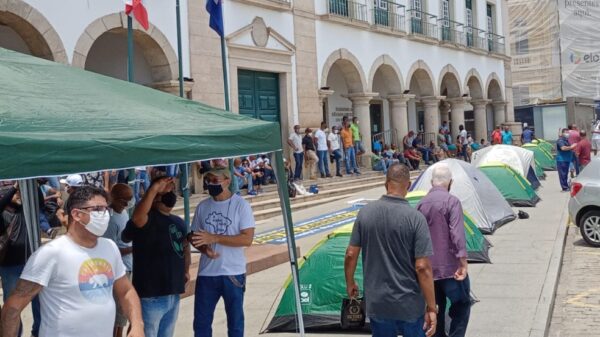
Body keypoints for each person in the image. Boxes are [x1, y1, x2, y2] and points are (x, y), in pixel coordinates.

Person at [1, 186, 144, 337]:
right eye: (97, 209)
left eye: (105, 209)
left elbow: (126, 291)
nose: (104, 214)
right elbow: (13, 307)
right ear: (76, 214)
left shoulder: (110, 247)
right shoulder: (51, 253)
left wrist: (137, 324)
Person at [345, 164, 437, 337]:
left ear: (386, 184)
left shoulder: (365, 213)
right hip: (409, 303)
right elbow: (423, 267)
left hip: (378, 303)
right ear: (408, 186)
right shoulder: (416, 218)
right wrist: (432, 307)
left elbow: (351, 254)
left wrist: (350, 283)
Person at [189, 168, 256, 337]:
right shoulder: (203, 206)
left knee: (235, 324)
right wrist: (204, 248)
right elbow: (194, 236)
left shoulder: (241, 205)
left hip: (232, 273)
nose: (211, 183)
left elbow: (247, 239)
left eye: (215, 180)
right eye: (208, 180)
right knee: (201, 323)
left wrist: (215, 238)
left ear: (227, 181)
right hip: (207, 273)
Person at [122, 177, 191, 337]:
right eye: (166, 189)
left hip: (172, 293)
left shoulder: (178, 221)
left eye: (172, 189)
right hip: (151, 295)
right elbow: (137, 219)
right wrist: (153, 189)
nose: (170, 193)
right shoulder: (145, 219)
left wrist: (186, 270)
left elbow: (184, 246)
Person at [416, 164, 471, 337]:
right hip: (450, 268)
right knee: (462, 305)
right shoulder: (451, 201)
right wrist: (462, 261)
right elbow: (457, 233)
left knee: (434, 308)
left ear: (432, 182)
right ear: (450, 182)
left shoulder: (420, 204)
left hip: (428, 269)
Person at [0, 183, 42, 337]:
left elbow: (40, 202)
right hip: (10, 267)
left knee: (40, 304)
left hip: (33, 265)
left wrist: (32, 183)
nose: (19, 194)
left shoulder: (27, 211)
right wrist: (13, 189)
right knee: (12, 307)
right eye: (16, 193)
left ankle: (38, 333)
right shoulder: (4, 214)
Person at [103, 184, 135, 337]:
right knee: (118, 314)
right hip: (118, 271)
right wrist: (134, 248)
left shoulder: (123, 213)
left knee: (123, 314)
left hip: (129, 267)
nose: (127, 204)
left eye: (129, 200)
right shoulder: (111, 220)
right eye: (124, 201)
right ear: (114, 199)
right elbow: (110, 250)